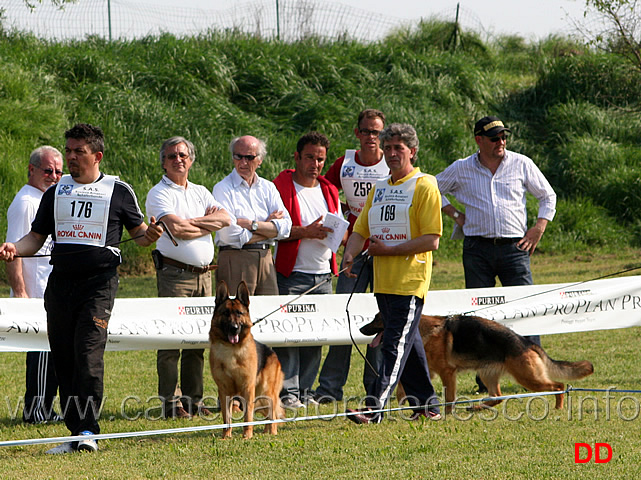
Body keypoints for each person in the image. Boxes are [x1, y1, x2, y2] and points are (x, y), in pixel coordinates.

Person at [0, 124, 164, 454]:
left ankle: (89, 429)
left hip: (99, 285)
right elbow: (35, 239)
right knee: (64, 358)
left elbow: (141, 234)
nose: (71, 157)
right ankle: (75, 433)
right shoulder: (54, 193)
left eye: (79, 151)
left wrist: (153, 236)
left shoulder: (118, 191)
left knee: (88, 354)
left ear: (97, 156)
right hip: (60, 285)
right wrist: (14, 248)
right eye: (69, 150)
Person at [435, 115, 556, 392]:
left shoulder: (521, 163)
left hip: (515, 247)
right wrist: (454, 214)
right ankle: (486, 380)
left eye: (503, 137)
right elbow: (431, 188)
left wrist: (538, 227)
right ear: (479, 140)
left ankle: (533, 372)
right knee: (479, 317)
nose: (501, 142)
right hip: (477, 248)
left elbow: (548, 196)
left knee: (526, 308)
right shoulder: (462, 168)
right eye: (494, 138)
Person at [343, 123, 442, 424]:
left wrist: (387, 251)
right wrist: (350, 253)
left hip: (409, 281)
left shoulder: (425, 185)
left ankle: (373, 409)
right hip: (382, 281)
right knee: (406, 344)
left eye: (399, 148)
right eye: (388, 148)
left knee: (393, 345)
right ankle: (428, 405)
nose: (392, 153)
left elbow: (431, 239)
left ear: (412, 151)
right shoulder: (380, 188)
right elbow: (361, 229)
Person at [146, 136, 232, 420]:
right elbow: (176, 230)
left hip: (204, 277)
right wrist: (204, 225)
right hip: (175, 276)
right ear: (163, 162)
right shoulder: (159, 193)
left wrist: (191, 224)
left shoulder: (200, 191)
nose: (178, 159)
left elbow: (226, 219)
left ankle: (193, 401)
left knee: (197, 341)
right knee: (171, 341)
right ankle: (170, 403)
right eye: (172, 156)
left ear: (191, 160)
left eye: (183, 155)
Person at [314, 109, 389, 403]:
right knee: (344, 317)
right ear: (357, 133)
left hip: (385, 251)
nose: (372, 137)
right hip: (354, 252)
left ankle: (376, 387)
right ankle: (329, 390)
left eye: (377, 132)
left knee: (383, 320)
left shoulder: (391, 164)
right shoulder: (343, 164)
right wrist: (343, 228)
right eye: (367, 131)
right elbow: (323, 191)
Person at [272, 132, 340, 409]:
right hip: (292, 272)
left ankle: (305, 390)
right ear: (297, 157)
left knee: (316, 333)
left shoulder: (329, 190)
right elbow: (276, 230)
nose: (315, 164)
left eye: (320, 159)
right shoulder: (279, 187)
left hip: (323, 273)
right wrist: (306, 231)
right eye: (310, 157)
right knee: (289, 334)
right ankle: (286, 391)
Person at [6, 146, 63, 424]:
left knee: (52, 351)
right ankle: (36, 410)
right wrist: (20, 292)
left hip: (49, 291)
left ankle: (45, 407)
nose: (53, 176)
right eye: (47, 170)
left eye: (58, 171)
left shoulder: (46, 199)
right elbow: (12, 249)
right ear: (31, 170)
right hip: (34, 292)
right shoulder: (27, 202)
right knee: (41, 350)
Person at [213, 135, 291, 294]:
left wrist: (251, 225)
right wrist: (269, 230)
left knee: (269, 312)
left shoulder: (268, 188)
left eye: (249, 157)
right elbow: (229, 235)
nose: (243, 162)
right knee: (237, 314)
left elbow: (286, 228)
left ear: (260, 160)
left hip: (265, 257)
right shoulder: (222, 188)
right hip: (235, 258)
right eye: (238, 156)